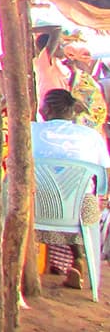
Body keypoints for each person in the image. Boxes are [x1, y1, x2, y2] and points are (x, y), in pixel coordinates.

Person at [31, 88, 110, 289]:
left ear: (45, 109)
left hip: (35, 208)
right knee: (81, 198)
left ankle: (23, 265)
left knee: (25, 194)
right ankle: (80, 258)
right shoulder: (91, 136)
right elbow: (104, 176)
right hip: (79, 213)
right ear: (72, 111)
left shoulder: (29, 130)